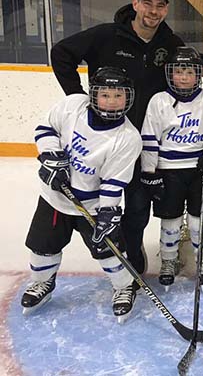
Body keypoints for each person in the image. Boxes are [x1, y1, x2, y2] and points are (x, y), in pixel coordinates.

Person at [50, 0, 203, 275]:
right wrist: (80, 100)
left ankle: (132, 261)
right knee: (96, 206)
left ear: (166, 10)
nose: (153, 11)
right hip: (105, 140)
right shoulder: (106, 36)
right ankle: (101, 263)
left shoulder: (168, 42)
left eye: (160, 6)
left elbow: (200, 61)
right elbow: (61, 53)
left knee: (136, 210)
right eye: (147, 3)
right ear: (135, 4)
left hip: (144, 146)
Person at [21, 67, 141, 322]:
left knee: (107, 250)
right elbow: (46, 129)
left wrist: (109, 213)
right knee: (43, 245)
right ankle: (42, 282)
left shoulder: (128, 138)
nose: (111, 102)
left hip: (93, 205)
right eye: (105, 95)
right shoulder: (72, 105)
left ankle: (124, 287)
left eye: (118, 95)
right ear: (93, 94)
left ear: (128, 97)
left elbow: (113, 181)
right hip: (55, 198)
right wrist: (51, 157)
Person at [140, 46, 203, 289]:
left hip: (200, 169)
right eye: (178, 71)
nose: (184, 77)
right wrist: (150, 173)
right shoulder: (159, 100)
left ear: (198, 74)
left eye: (189, 71)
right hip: (169, 170)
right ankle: (168, 261)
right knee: (171, 222)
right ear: (170, 73)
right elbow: (149, 139)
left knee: (200, 222)